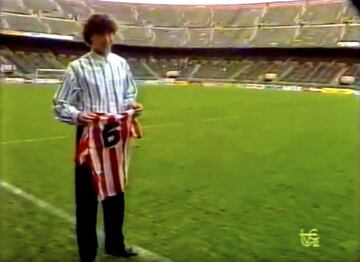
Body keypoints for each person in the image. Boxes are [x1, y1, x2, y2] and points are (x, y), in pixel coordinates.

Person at [52, 13, 142, 262]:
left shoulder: (121, 64)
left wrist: (132, 106)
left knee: (116, 193)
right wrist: (80, 115)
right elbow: (60, 104)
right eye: (101, 34)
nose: (107, 39)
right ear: (90, 37)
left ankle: (115, 244)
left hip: (115, 137)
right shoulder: (77, 68)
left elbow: (128, 94)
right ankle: (87, 253)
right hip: (89, 138)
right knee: (87, 199)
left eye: (110, 33)